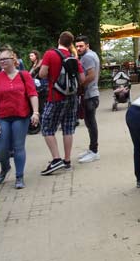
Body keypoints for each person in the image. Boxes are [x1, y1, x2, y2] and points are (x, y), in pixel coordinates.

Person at [0, 47, 39, 189]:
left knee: (18, 146)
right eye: (0, 60)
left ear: (13, 59)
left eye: (5, 59)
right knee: (1, 148)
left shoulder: (24, 75)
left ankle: (19, 176)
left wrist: (35, 112)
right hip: (2, 117)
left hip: (21, 116)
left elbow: (32, 94)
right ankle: (5, 168)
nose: (2, 61)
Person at [38, 31, 84, 175]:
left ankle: (56, 159)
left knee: (46, 127)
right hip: (71, 97)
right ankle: (67, 160)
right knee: (68, 128)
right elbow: (82, 79)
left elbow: (42, 74)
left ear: (58, 40)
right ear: (71, 44)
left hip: (55, 97)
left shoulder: (50, 54)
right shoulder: (73, 58)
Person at [75, 35, 101, 164]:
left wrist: (80, 86)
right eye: (77, 46)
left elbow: (91, 76)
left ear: (87, 46)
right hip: (92, 94)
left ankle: (94, 152)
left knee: (91, 123)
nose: (78, 48)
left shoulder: (87, 57)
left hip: (90, 95)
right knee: (90, 123)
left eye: (81, 46)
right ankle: (92, 149)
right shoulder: (92, 54)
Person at [28, 50, 47, 117]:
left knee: (41, 104)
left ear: (36, 56)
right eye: (30, 56)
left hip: (40, 85)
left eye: (32, 55)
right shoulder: (33, 65)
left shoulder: (40, 63)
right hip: (33, 85)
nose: (30, 57)